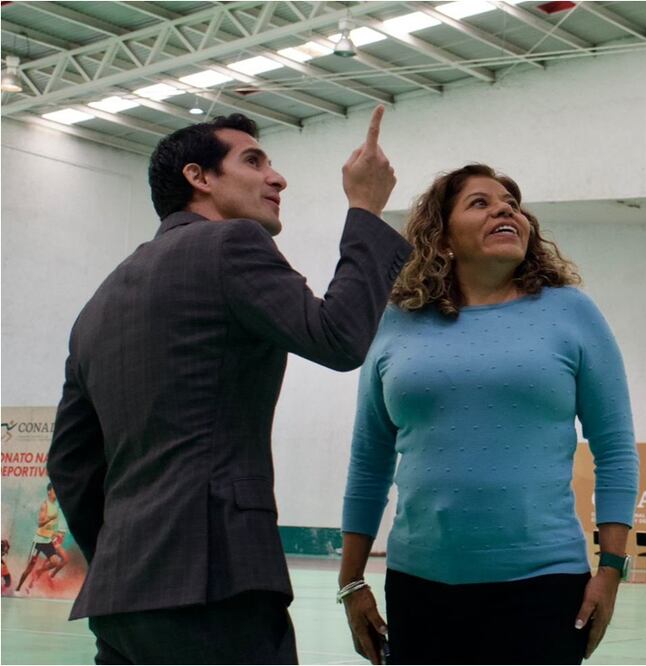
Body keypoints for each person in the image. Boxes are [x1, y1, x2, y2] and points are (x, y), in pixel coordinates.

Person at [47, 106, 411, 664]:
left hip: (121, 601)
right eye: (254, 160)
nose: (277, 177)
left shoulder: (100, 302)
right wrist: (364, 210)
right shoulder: (230, 244)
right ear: (200, 178)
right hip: (215, 581)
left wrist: (123, 554)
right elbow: (337, 337)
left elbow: (70, 463)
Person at [339, 164, 639, 665]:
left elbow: (615, 450)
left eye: (511, 204)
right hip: (418, 587)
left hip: (545, 586)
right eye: (479, 202)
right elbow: (369, 460)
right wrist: (351, 582)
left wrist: (610, 569)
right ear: (442, 237)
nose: (505, 209)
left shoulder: (572, 313)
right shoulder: (395, 322)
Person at [14, 483, 61, 594]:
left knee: (55, 562)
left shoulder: (56, 506)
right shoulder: (45, 505)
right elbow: (40, 523)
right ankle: (18, 588)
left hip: (48, 541)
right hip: (38, 541)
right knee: (29, 568)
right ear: (49, 492)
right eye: (54, 490)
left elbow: (54, 523)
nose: (56, 492)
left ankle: (39, 571)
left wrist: (55, 532)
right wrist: (50, 518)